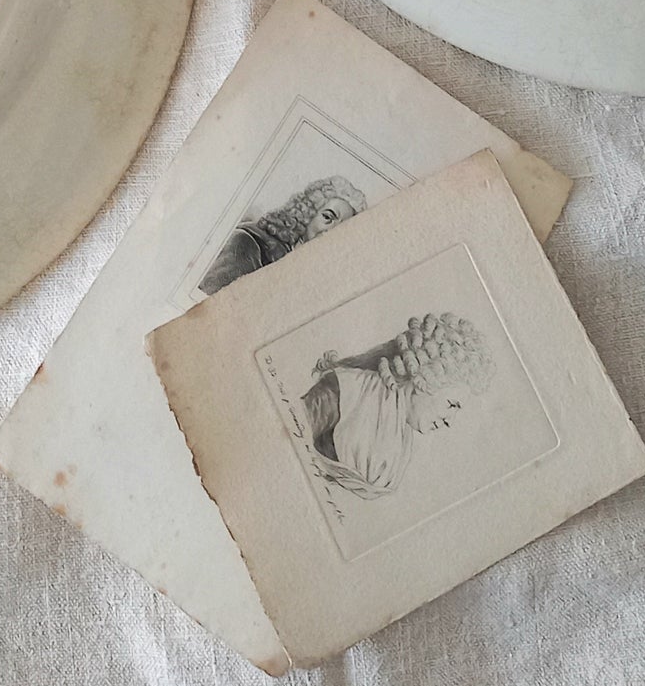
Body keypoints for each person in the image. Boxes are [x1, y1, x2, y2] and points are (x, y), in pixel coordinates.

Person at [299, 310, 495, 500]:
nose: (449, 421)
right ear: (423, 379)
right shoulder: (343, 390)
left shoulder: (401, 441)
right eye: (451, 405)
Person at [198, 176, 366, 293]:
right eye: (328, 217)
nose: (332, 231)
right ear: (306, 212)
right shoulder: (247, 242)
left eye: (342, 228)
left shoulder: (309, 272)